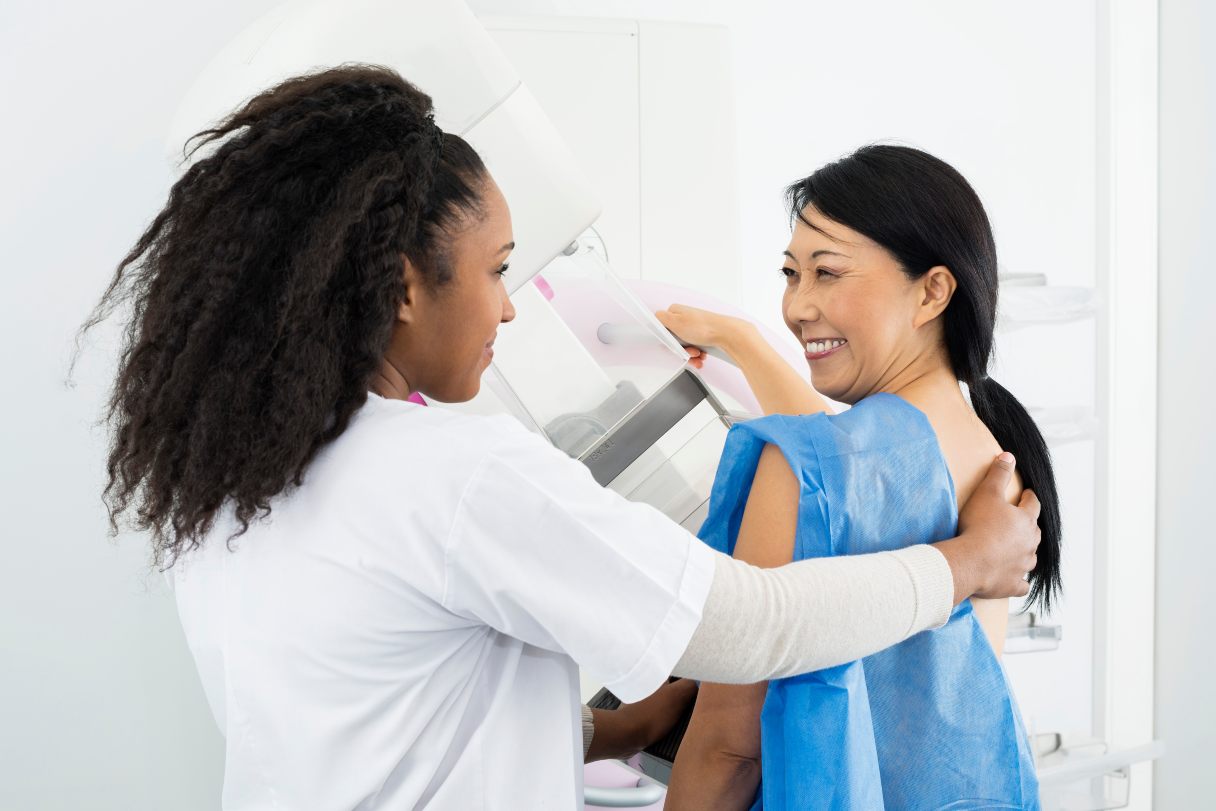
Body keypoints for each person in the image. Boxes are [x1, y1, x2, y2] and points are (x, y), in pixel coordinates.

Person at [84, 67, 1040, 809]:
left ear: (934, 290)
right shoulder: (450, 473)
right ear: (403, 284)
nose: (508, 305)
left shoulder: (229, 484)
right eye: (497, 269)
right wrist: (968, 561)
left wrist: (615, 728)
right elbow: (756, 625)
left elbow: (375, 716)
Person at [659, 145, 1057, 810]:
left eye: (827, 272)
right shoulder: (998, 465)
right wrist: (743, 340)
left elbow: (729, 751)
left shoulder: (801, 465)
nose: (798, 305)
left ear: (932, 290)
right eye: (791, 274)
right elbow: (857, 467)